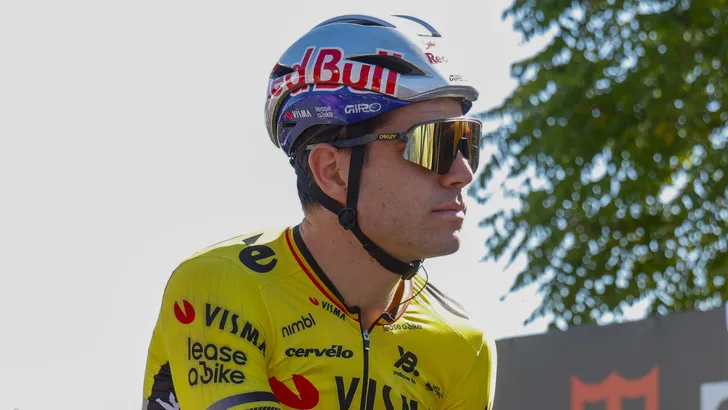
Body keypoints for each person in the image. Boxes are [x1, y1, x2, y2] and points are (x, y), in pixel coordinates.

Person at [142, 13, 497, 410]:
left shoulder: (464, 346)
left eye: (467, 142)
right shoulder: (221, 284)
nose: (462, 173)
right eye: (434, 144)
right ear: (332, 171)